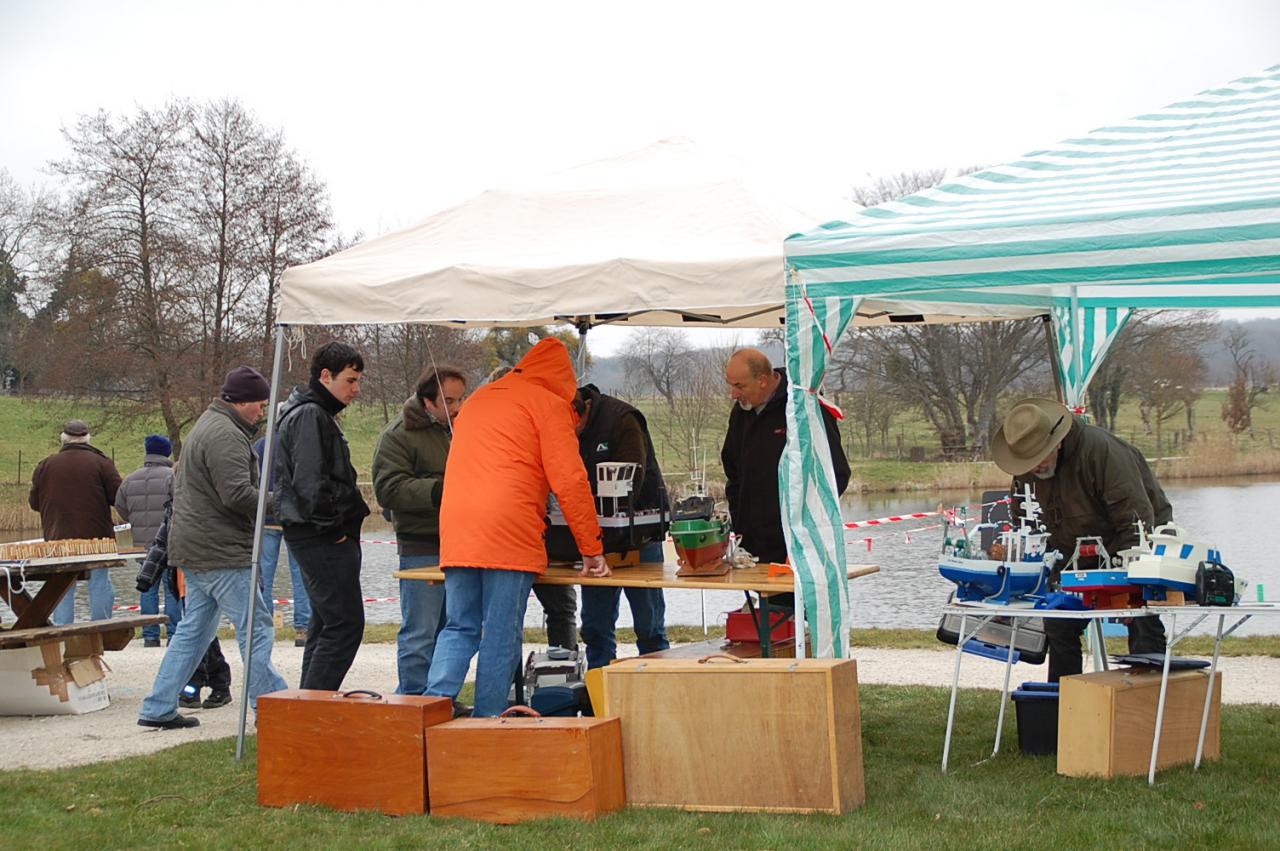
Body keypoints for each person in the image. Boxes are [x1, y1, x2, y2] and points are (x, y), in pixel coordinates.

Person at [425, 338, 606, 717]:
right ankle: (490, 719)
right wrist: (591, 548)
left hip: (458, 527)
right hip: (509, 529)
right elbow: (570, 481)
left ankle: (431, 708)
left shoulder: (480, 398)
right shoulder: (548, 404)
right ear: (564, 379)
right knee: (501, 632)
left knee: (459, 626)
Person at [137, 366, 287, 729]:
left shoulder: (209, 425)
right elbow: (236, 494)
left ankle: (157, 707)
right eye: (260, 404)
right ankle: (268, 706)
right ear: (242, 403)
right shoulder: (225, 435)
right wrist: (281, 502)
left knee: (194, 630)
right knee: (257, 627)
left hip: (196, 547)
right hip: (221, 549)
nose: (263, 412)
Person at [992, 398, 1170, 682]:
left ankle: (1150, 700)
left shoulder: (1102, 453)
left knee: (1141, 617)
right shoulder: (1026, 469)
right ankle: (1064, 706)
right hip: (1070, 553)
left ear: (1057, 442)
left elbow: (1136, 522)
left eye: (1039, 457)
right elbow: (1026, 522)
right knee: (1058, 623)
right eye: (1028, 461)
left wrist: (1131, 584)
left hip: (1128, 543)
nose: (1034, 467)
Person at [275, 341, 371, 691]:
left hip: (315, 534)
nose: (356, 389)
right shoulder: (310, 415)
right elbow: (311, 482)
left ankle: (308, 704)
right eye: (350, 380)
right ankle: (313, 709)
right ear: (325, 376)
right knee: (345, 625)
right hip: (321, 536)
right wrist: (334, 530)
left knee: (325, 623)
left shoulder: (312, 413)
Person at [558, 384, 670, 669]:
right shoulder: (558, 426)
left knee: (649, 624)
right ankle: (599, 693)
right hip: (593, 536)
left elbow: (634, 475)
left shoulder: (623, 419)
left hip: (639, 533)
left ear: (579, 413)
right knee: (595, 624)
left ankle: (655, 684)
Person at [372, 366, 467, 695]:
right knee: (420, 632)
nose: (457, 407)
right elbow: (388, 489)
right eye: (449, 400)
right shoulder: (398, 434)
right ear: (428, 402)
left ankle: (442, 699)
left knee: (452, 629)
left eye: (461, 399)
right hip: (421, 545)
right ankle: (412, 700)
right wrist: (441, 491)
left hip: (459, 543)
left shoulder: (458, 429)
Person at [721, 348, 851, 570]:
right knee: (763, 605)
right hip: (753, 546)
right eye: (731, 385)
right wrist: (739, 519)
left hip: (799, 547)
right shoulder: (741, 413)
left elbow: (836, 473)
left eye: (739, 386)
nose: (733, 394)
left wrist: (805, 527)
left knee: (794, 605)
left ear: (762, 380)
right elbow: (733, 472)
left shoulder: (804, 407)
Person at [135, 489, 233, 709]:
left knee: (194, 635)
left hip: (202, 578)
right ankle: (219, 683)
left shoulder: (205, 507)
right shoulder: (173, 510)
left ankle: (192, 687)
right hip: (183, 581)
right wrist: (147, 577)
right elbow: (161, 544)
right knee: (201, 635)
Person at [29, 419, 122, 624]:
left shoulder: (46, 465)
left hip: (58, 536)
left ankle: (63, 629)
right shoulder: (102, 463)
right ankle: (102, 626)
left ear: (64, 438)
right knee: (99, 581)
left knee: (62, 584)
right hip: (97, 536)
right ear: (87, 438)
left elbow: (34, 503)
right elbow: (118, 497)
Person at [254, 408, 312, 649]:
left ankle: (264, 625)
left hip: (266, 516)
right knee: (300, 574)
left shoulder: (260, 445)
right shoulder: (297, 443)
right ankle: (303, 628)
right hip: (292, 516)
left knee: (264, 574)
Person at [115, 434, 179, 646]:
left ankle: (150, 636)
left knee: (147, 587)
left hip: (142, 546)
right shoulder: (173, 476)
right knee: (172, 590)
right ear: (167, 452)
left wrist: (136, 522)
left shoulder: (130, 480)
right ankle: (173, 633)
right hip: (169, 542)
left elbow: (121, 508)